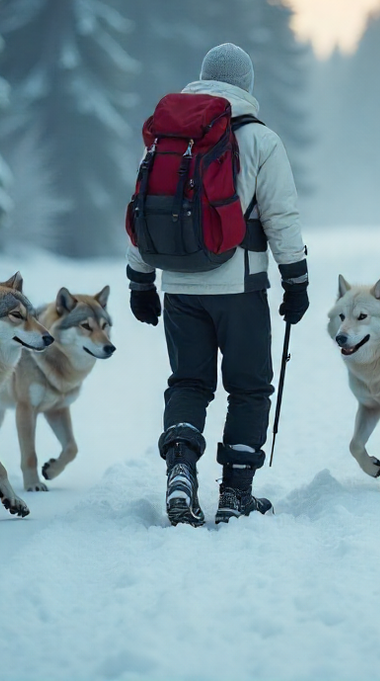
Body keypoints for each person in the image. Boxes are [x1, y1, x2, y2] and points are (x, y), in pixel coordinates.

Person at [126, 43, 309, 527]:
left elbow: (144, 210)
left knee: (188, 383)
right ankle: (235, 493)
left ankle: (181, 470)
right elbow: (281, 218)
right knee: (249, 388)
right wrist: (296, 280)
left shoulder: (167, 138)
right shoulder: (261, 139)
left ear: (203, 77)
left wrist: (140, 280)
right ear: (246, 85)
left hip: (179, 286)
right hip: (240, 288)